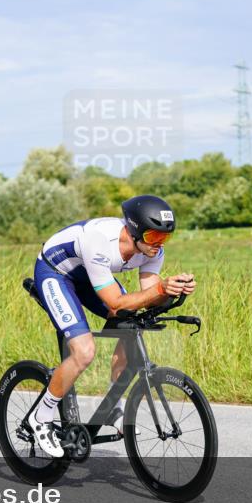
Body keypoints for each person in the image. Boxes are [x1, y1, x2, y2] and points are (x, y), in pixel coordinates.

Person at [29, 194, 196, 457]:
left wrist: (172, 291)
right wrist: (161, 290)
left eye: (165, 237)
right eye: (154, 237)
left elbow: (148, 297)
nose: (159, 244)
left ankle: (113, 404)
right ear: (134, 231)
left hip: (92, 274)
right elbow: (116, 303)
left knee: (130, 324)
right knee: (84, 351)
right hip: (56, 273)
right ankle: (41, 415)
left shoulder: (153, 251)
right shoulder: (99, 240)